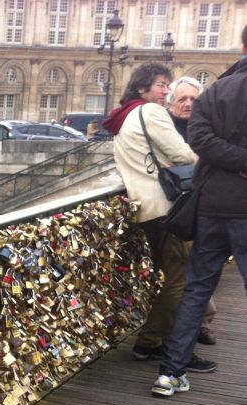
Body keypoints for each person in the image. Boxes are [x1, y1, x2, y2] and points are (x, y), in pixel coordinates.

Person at [152, 26, 247, 399]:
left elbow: (200, 141)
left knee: (195, 291)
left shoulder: (215, 90)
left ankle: (170, 374)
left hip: (209, 205)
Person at [101, 64, 211, 373]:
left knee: (175, 278)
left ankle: (152, 342)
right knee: (182, 281)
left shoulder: (125, 116)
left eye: (167, 85)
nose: (166, 91)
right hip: (168, 207)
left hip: (146, 208)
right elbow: (183, 155)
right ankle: (163, 345)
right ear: (142, 88)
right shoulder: (151, 113)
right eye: (161, 85)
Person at [166, 77, 218, 347]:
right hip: (178, 207)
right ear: (171, 102)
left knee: (201, 265)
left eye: (193, 100)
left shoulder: (207, 125)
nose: (188, 104)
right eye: (182, 99)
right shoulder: (167, 127)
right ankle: (193, 324)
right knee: (188, 268)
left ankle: (202, 322)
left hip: (207, 204)